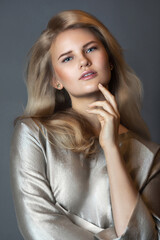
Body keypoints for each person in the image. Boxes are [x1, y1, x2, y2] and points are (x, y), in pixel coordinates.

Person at [10, 9, 160, 240]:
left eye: (90, 49)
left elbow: (144, 236)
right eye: (67, 58)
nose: (84, 61)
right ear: (56, 80)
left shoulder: (150, 156)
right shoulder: (34, 134)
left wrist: (111, 148)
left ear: (109, 61)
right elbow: (39, 229)